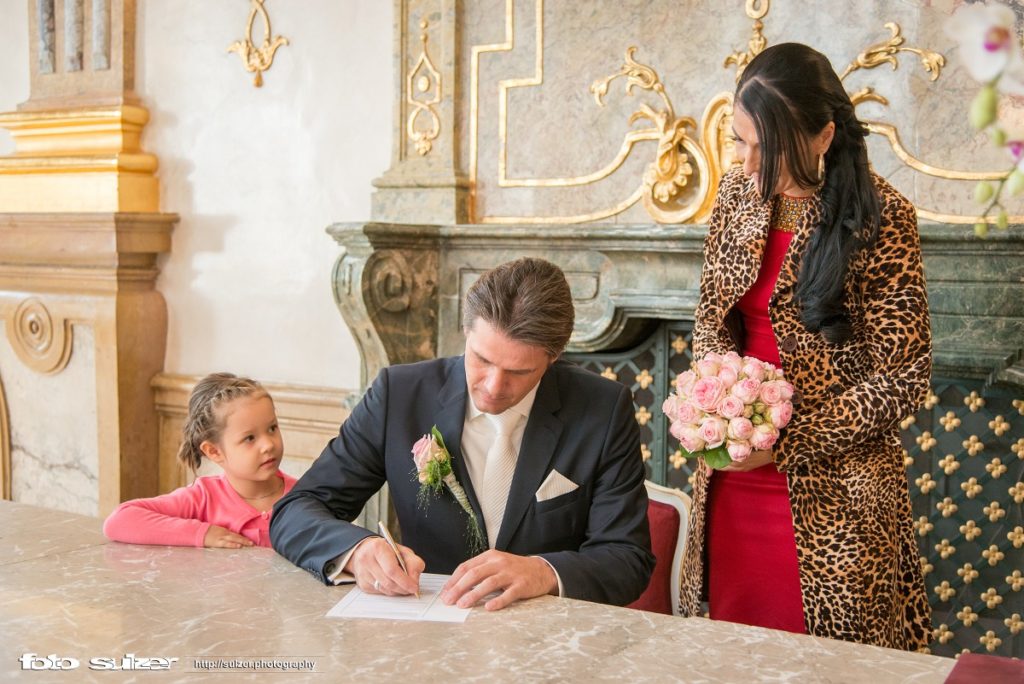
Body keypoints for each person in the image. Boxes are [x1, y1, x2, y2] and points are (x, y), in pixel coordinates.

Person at [679, 43, 931, 651]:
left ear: (822, 136)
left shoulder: (881, 214)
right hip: (732, 478)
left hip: (838, 494)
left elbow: (906, 373)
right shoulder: (736, 197)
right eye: (740, 142)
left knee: (829, 663)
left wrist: (787, 443)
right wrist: (716, 417)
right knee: (730, 654)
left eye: (767, 148)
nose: (747, 164)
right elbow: (712, 320)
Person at [271, 257, 654, 610]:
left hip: (546, 636)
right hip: (427, 625)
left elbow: (627, 558)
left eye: (519, 372)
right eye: (481, 359)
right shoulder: (399, 395)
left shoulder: (602, 408)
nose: (492, 385)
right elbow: (296, 510)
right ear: (466, 332)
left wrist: (542, 572)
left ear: (553, 357)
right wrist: (356, 550)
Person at [104, 373, 296, 548]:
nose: (268, 445)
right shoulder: (203, 498)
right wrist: (202, 533)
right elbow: (119, 520)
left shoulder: (305, 494)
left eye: (272, 428)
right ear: (214, 451)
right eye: (250, 438)